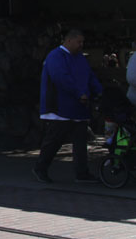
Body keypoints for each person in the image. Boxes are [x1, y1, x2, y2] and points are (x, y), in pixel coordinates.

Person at [33, 29, 103, 183]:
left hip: (78, 107)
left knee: (80, 141)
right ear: (69, 40)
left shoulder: (80, 58)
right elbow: (61, 78)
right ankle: (40, 167)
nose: (81, 45)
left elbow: (89, 76)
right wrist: (79, 93)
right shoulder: (55, 57)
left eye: (82, 42)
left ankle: (82, 172)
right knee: (54, 140)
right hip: (60, 107)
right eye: (79, 42)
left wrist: (99, 91)